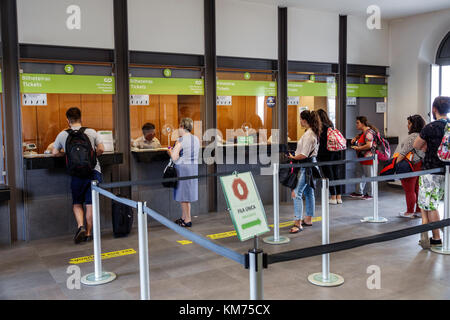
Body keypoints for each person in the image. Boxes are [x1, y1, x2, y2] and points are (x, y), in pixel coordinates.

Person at [52, 107, 105, 244]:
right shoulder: (92, 132)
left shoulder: (63, 134)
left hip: (76, 173)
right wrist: (92, 156)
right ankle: (88, 233)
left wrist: (66, 154)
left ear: (67, 120)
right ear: (81, 118)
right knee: (90, 203)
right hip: (93, 171)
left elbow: (54, 153)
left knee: (77, 203)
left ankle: (80, 226)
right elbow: (101, 149)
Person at [413, 96, 450, 249]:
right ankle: (430, 235)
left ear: (434, 109)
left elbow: (416, 145)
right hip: (446, 170)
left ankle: (436, 237)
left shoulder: (431, 127)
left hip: (431, 170)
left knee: (431, 205)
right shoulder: (448, 126)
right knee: (431, 203)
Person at [287, 110, 321, 233]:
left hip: (305, 166)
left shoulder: (308, 135)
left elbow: (303, 154)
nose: (300, 121)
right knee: (308, 192)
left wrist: (292, 157)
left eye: (300, 119)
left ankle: (298, 223)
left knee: (296, 193)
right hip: (311, 165)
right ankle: (308, 218)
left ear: (304, 120)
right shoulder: (313, 133)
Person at [168, 118, 200, 228]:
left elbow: (174, 157)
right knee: (187, 195)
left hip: (183, 169)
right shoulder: (196, 139)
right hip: (193, 168)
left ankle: (187, 220)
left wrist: (169, 150)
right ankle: (184, 217)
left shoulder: (180, 140)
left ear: (182, 127)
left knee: (183, 196)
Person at [396, 115, 425, 218]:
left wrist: (396, 165)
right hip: (420, 164)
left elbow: (403, 153)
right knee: (417, 189)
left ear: (414, 125)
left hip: (409, 165)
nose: (407, 125)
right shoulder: (423, 135)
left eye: (409, 123)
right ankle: (418, 210)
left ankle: (409, 212)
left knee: (409, 190)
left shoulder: (412, 136)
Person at [317, 109, 344, 205]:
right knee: (336, 174)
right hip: (336, 152)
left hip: (326, 154)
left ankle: (333, 197)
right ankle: (339, 197)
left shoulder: (320, 126)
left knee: (329, 175)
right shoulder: (331, 124)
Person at [350, 116, 379, 200]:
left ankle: (370, 193)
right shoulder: (363, 132)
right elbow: (361, 137)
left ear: (362, 123)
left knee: (370, 176)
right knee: (359, 174)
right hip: (362, 158)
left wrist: (358, 148)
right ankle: (358, 192)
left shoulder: (369, 132)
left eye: (357, 123)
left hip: (369, 158)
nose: (356, 125)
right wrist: (356, 138)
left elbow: (369, 145)